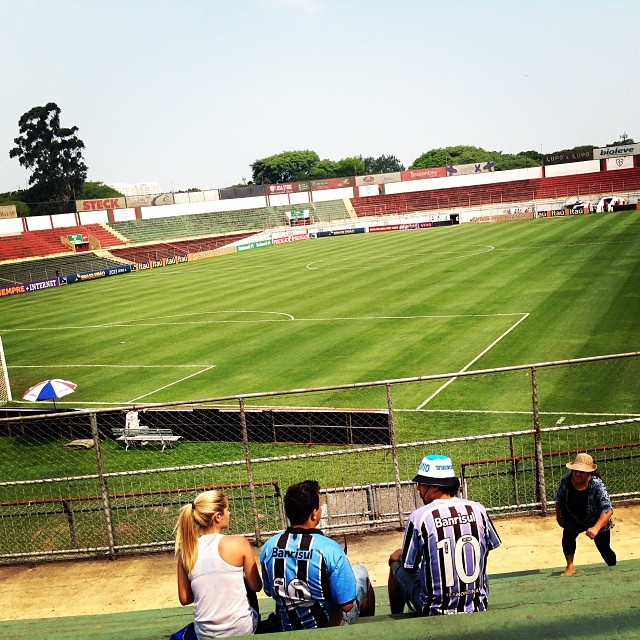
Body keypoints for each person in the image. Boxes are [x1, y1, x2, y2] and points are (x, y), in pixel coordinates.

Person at [388, 453, 501, 616]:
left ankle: (396, 617)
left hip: (434, 610)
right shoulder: (479, 509)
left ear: (434, 486)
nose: (418, 489)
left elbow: (409, 566)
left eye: (420, 484)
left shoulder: (419, 517)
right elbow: (488, 547)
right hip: (477, 606)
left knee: (396, 565)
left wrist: (399, 555)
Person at [260, 480, 375, 630]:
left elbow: (269, 591)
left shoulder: (269, 547)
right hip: (328, 627)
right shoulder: (329, 548)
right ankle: (369, 630)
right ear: (314, 514)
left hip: (288, 628)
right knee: (361, 572)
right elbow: (347, 606)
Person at [174, 489, 262, 638]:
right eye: (227, 510)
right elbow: (256, 586)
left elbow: (185, 598)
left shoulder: (186, 552)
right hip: (242, 629)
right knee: (245, 581)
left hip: (205, 634)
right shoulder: (239, 543)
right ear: (217, 516)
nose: (229, 514)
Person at [555, 452, 616, 576]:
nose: (577, 474)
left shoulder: (597, 484)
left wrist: (596, 528)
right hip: (574, 517)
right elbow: (559, 500)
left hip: (596, 520)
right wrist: (558, 516)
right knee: (568, 535)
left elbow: (608, 510)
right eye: (575, 470)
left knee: (604, 549)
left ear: (589, 473)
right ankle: (570, 566)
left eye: (581, 471)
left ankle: (614, 568)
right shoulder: (565, 480)